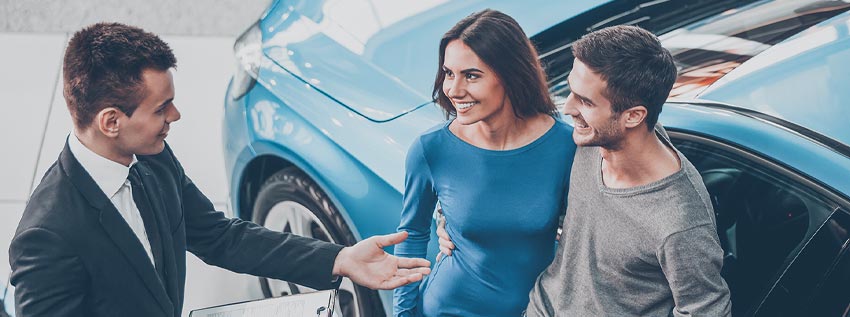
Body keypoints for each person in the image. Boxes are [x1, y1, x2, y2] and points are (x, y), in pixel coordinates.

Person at [8, 22, 430, 317]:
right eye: (160, 108)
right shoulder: (47, 237)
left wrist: (339, 258)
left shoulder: (152, 159)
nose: (176, 114)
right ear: (111, 121)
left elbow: (219, 236)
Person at [438, 25, 732, 316]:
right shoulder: (593, 140)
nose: (568, 108)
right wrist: (448, 218)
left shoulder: (679, 223)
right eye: (572, 91)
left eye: (585, 101)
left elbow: (705, 309)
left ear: (633, 116)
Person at [393, 9, 577, 317]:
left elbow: (585, 238)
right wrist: (403, 314)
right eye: (449, 73)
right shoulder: (431, 148)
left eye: (471, 75)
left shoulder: (565, 146)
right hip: (448, 307)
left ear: (510, 75)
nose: (453, 89)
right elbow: (411, 234)